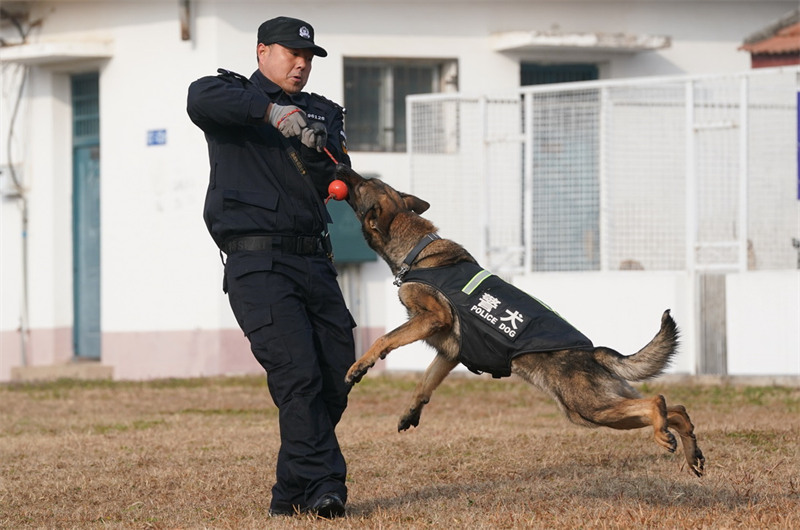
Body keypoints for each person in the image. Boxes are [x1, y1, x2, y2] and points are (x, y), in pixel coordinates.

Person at [186, 16, 355, 518]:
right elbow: (200, 99)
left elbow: (337, 175)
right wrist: (272, 113)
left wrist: (328, 151)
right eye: (290, 53)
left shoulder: (322, 111)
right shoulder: (230, 98)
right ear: (262, 52)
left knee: (334, 373)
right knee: (297, 374)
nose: (300, 64)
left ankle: (289, 494)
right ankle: (327, 487)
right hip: (257, 263)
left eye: (307, 58)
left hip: (315, 260)